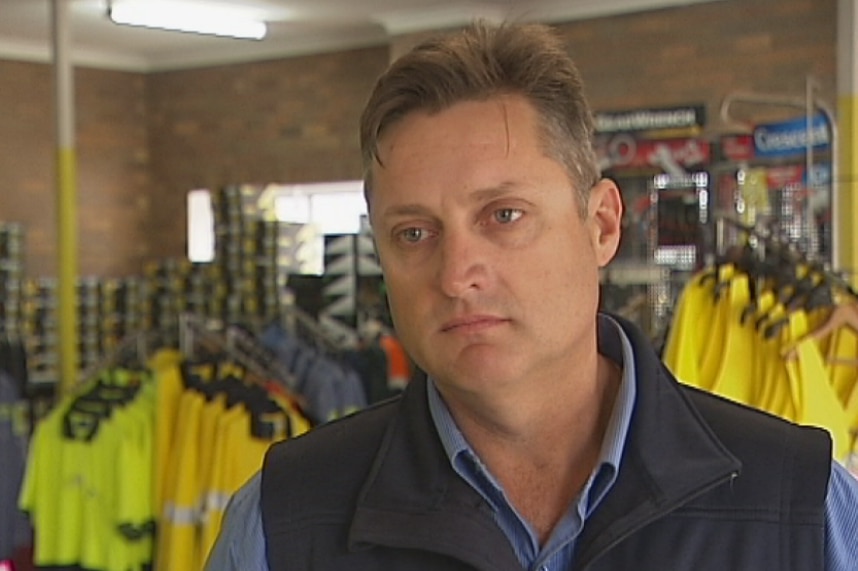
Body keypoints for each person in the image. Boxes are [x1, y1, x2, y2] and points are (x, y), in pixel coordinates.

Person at [205, 21, 858, 570]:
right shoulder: (282, 525)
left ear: (601, 224)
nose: (458, 273)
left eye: (504, 215)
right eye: (413, 232)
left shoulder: (797, 508)